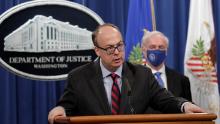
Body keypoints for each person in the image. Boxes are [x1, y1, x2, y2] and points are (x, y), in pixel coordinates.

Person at [48, 23, 205, 124]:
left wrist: (184, 105)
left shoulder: (142, 75)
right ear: (97, 50)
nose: (117, 53)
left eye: (120, 46)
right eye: (110, 48)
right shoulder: (79, 77)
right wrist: (60, 110)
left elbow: (164, 99)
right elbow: (66, 106)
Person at [141, 31, 192, 113]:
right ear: (143, 50)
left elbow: (188, 111)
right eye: (152, 47)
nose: (157, 50)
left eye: (161, 47)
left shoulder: (182, 80)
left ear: (166, 51)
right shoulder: (135, 78)